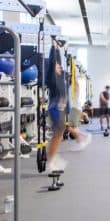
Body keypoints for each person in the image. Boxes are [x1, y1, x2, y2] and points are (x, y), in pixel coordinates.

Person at [45, 41, 68, 173]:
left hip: (60, 110)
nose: (60, 68)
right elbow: (53, 63)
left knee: (59, 135)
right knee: (57, 135)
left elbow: (57, 62)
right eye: (57, 66)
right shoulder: (52, 78)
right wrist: (53, 48)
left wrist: (58, 49)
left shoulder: (59, 78)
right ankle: (50, 163)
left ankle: (52, 160)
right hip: (55, 110)